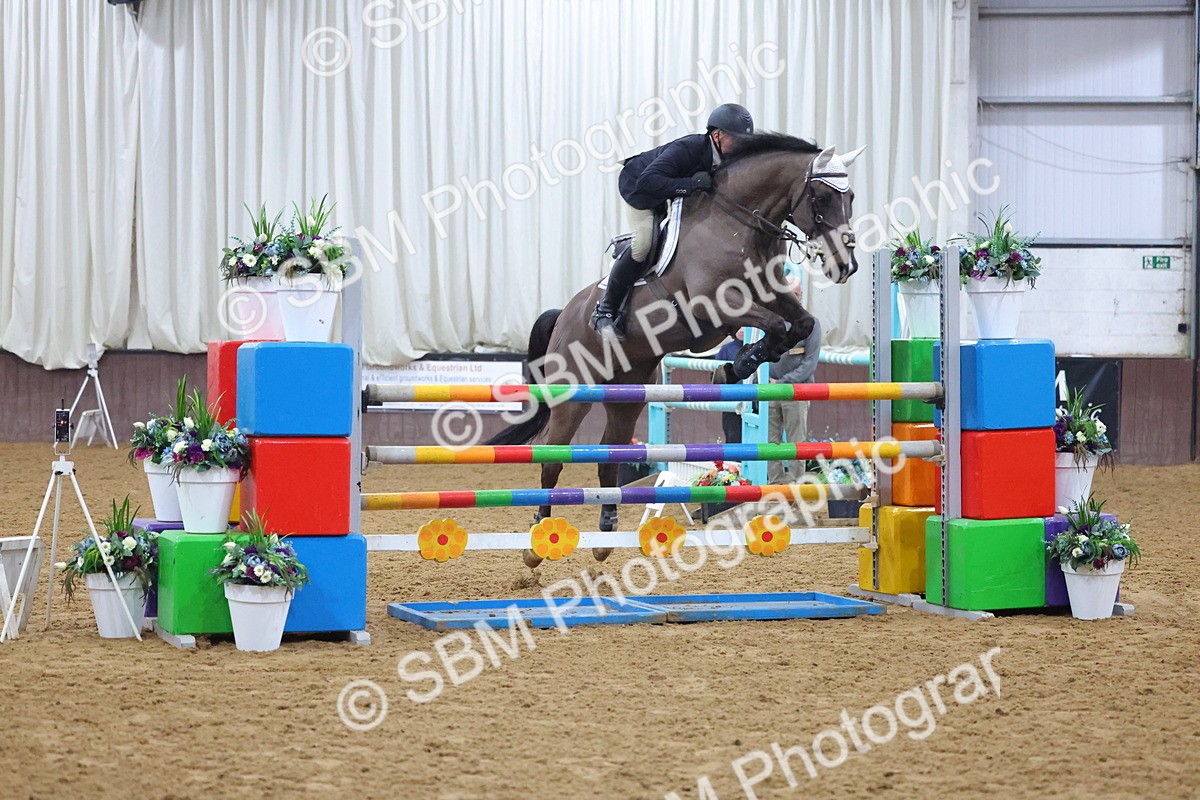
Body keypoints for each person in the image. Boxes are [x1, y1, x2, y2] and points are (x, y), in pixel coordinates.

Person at [591, 103, 755, 339]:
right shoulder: (688, 148)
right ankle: (605, 310)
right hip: (641, 189)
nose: (742, 145)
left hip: (672, 194)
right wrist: (690, 184)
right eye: (736, 139)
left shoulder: (731, 157)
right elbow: (647, 181)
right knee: (644, 243)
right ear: (717, 135)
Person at [767, 281, 822, 485]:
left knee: (797, 441)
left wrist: (781, 382)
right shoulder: (770, 323)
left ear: (801, 295)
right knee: (770, 442)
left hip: (796, 391)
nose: (793, 298)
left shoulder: (812, 324)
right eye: (789, 294)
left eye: (796, 294)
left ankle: (797, 487)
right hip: (769, 390)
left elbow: (809, 365)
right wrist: (762, 381)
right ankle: (774, 485)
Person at [715, 330, 745, 444]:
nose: (742, 330)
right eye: (738, 327)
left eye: (745, 326)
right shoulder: (726, 349)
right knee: (733, 438)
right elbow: (716, 377)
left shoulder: (759, 349)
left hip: (755, 403)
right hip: (731, 403)